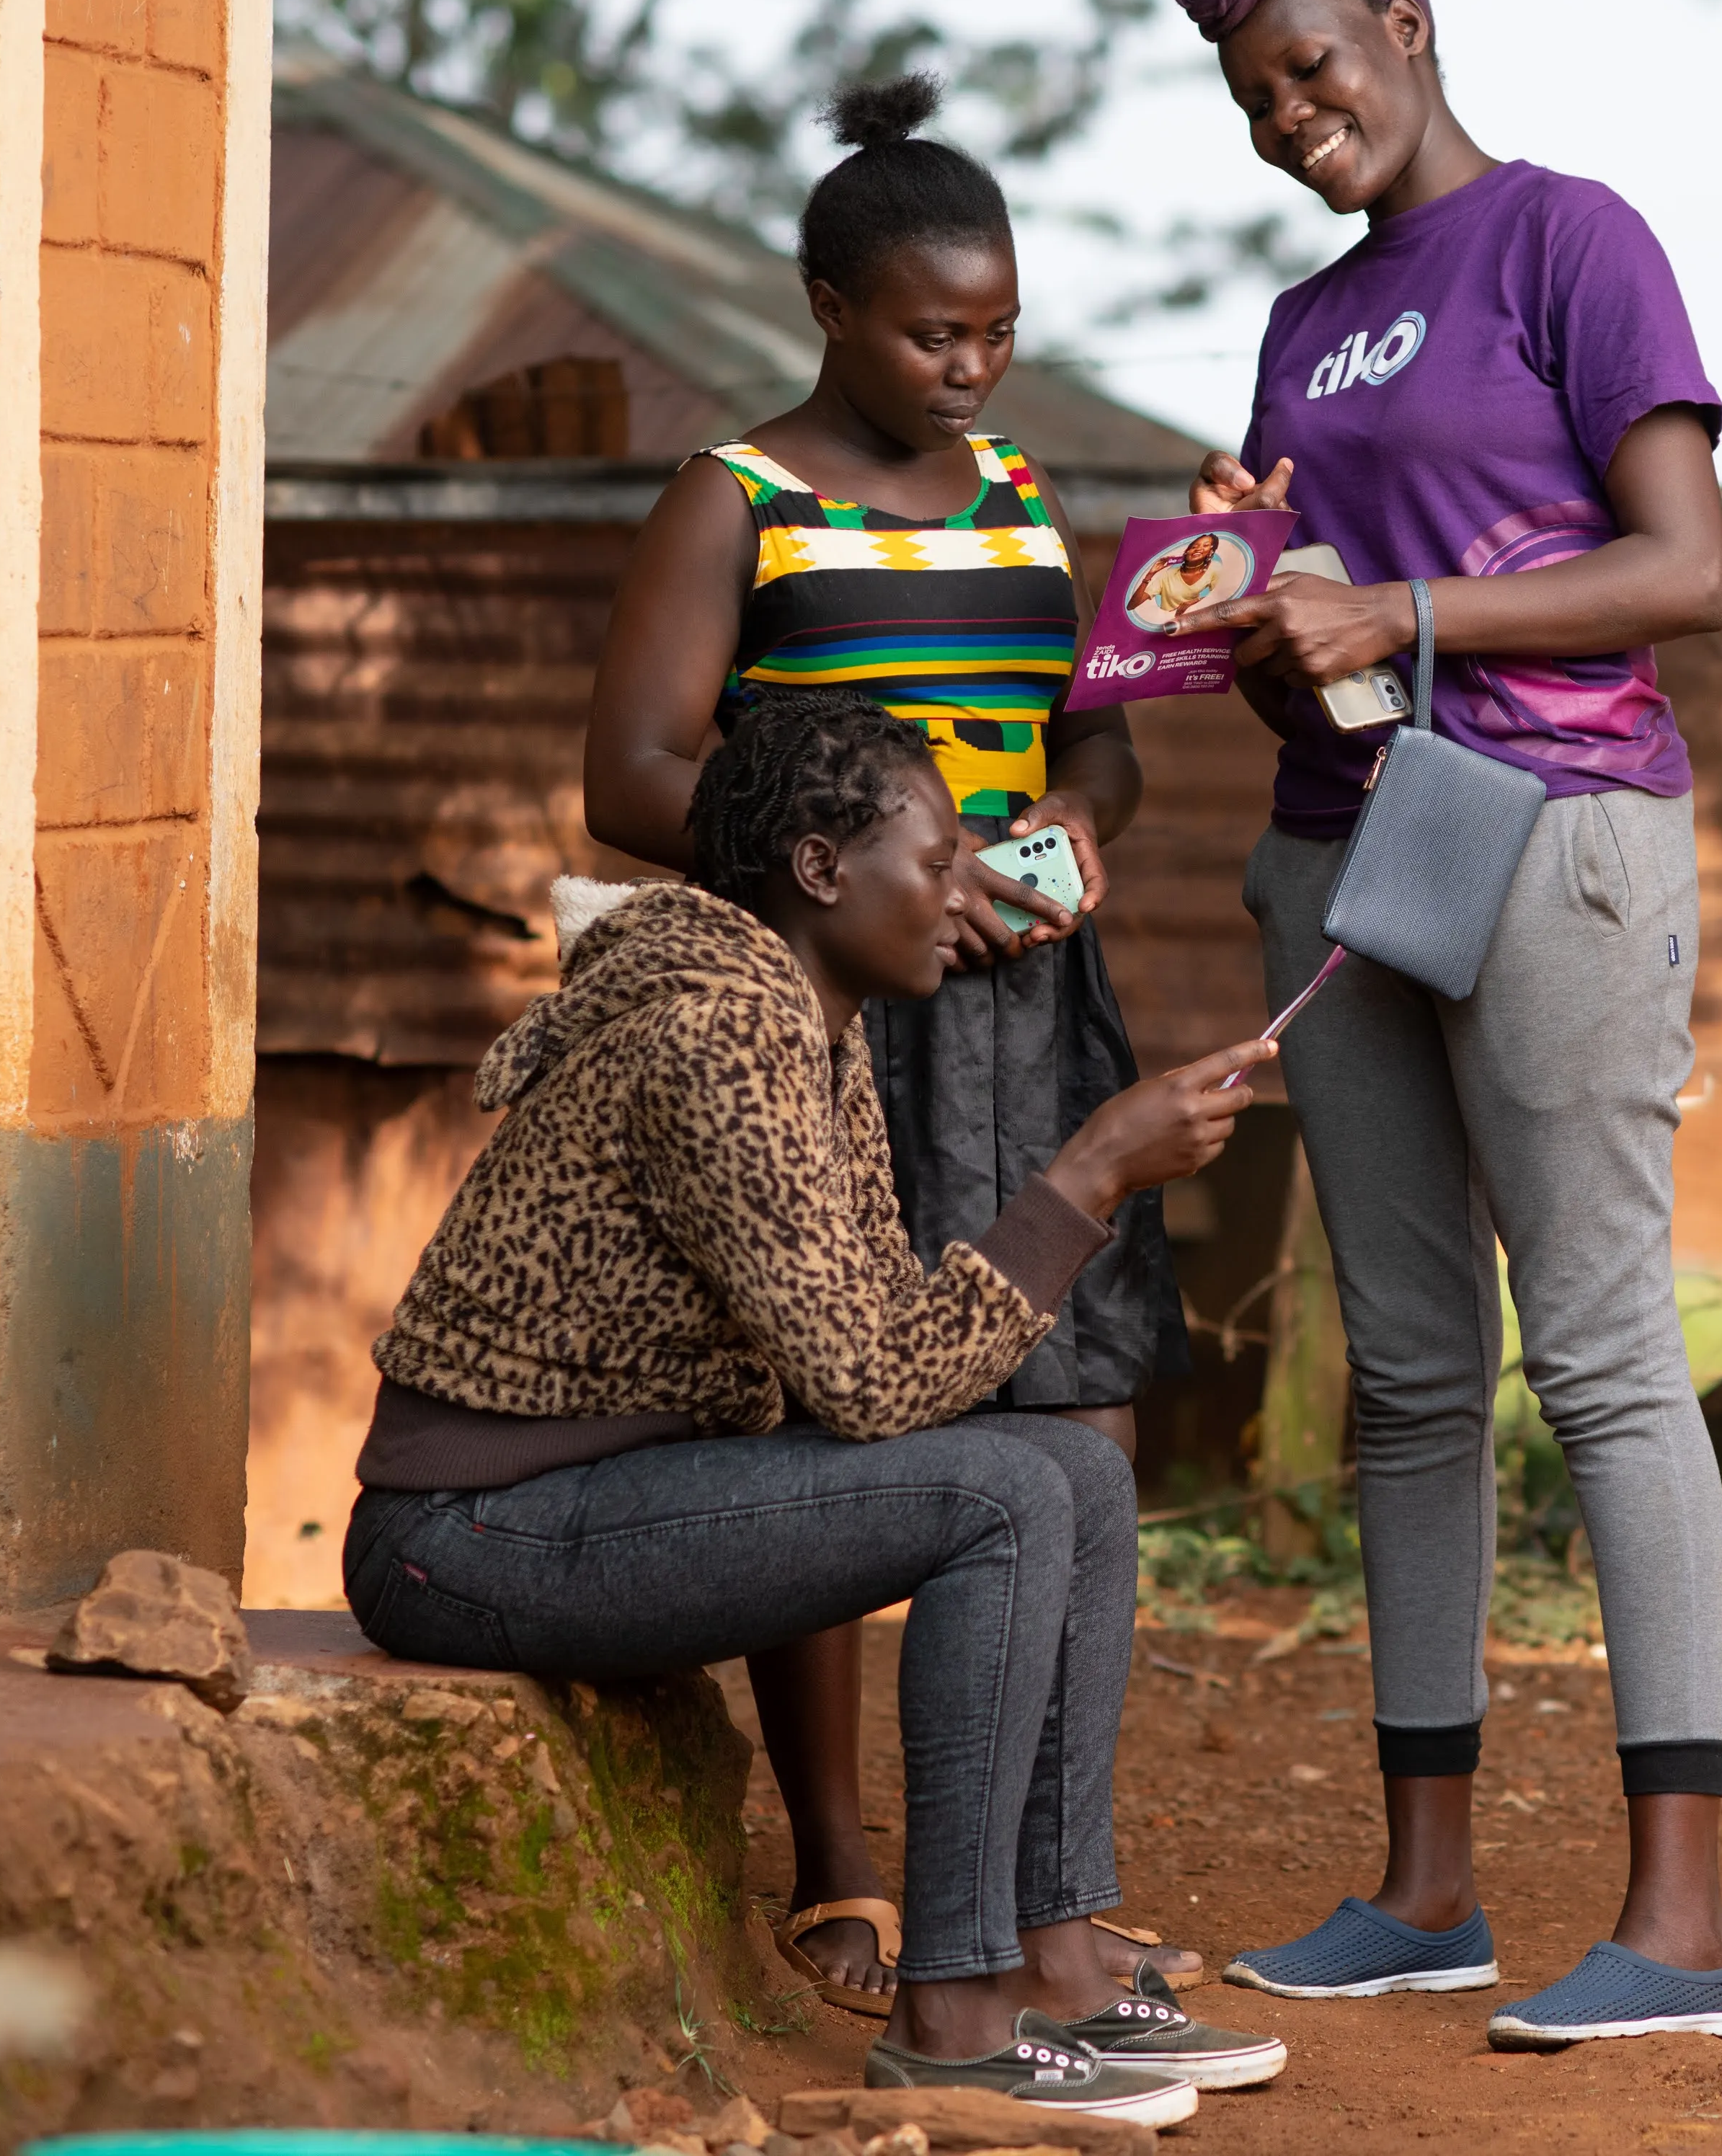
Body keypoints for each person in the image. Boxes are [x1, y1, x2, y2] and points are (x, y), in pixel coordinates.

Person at [343, 693, 1287, 2121]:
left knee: (1072, 1472)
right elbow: (867, 1385)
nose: (963, 889)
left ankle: (1058, 1963)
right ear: (820, 871)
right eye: (934, 857)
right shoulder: (715, 1040)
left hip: (591, 1495)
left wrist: (1084, 1182)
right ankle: (955, 2010)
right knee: (1009, 1491)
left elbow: (868, 1346)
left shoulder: (803, 1022)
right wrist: (1086, 1175)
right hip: (470, 1536)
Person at [1161, 0, 1722, 2049]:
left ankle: (1684, 1924)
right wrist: (1259, 609)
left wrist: (1395, 615)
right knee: (1412, 1373)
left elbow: (1683, 566)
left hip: (1558, 829)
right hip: (1348, 853)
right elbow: (1310, 673)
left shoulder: (1566, 242)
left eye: (1315, 65)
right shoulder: (1302, 328)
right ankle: (1428, 1891)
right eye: (1251, 95)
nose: (1289, 112)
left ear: (1406, 27)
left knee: (1599, 1349)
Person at [580, 74, 1201, 2013]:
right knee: (848, 1418)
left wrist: (1082, 821)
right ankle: (844, 1869)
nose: (973, 364)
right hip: (839, 1016)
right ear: (829, 304)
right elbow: (630, 773)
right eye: (937, 330)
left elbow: (1090, 729)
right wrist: (865, 885)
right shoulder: (739, 501)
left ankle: (1039, 1892)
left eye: (1001, 330)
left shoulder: (1022, 500)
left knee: (1074, 1416)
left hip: (1031, 1007)